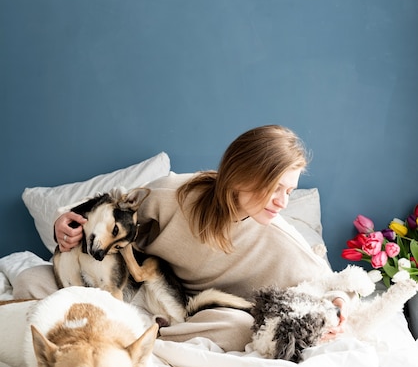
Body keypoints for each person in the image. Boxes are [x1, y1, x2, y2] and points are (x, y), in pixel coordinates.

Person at [14, 125, 347, 351]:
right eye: (274, 187)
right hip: (124, 287)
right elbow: (105, 214)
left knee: (236, 327)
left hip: (185, 317)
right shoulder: (172, 193)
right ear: (240, 174)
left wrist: (338, 305)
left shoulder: (279, 240)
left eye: (289, 190)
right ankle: (116, 330)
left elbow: (332, 283)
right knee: (30, 281)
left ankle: (139, 341)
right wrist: (65, 222)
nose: (282, 202)